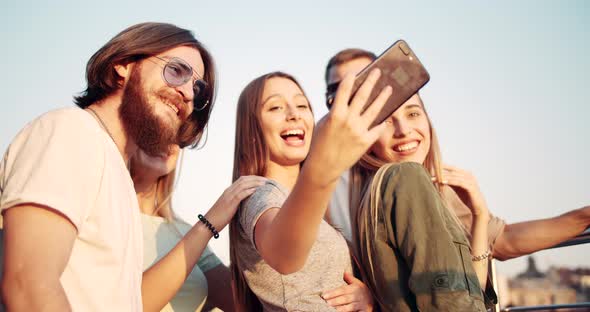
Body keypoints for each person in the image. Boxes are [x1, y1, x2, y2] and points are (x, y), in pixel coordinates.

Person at [0, 22, 215, 311]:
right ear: (123, 65)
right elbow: (29, 286)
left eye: (197, 89)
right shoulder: (72, 131)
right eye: (176, 71)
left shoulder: (118, 180)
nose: (188, 93)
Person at [325, 48, 590, 263]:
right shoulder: (320, 175)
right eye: (343, 90)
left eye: (367, 79)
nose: (356, 95)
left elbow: (501, 241)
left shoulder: (432, 180)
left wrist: (584, 215)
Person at [230, 71, 393, 311]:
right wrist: (325, 167)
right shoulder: (260, 192)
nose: (294, 114)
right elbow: (283, 256)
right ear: (251, 129)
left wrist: (367, 297)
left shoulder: (309, 205)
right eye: (275, 108)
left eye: (302, 105)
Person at [131, 144, 264, 311]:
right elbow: (129, 304)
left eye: (179, 131)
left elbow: (243, 304)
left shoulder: (182, 230)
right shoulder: (104, 217)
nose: (166, 140)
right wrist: (209, 224)